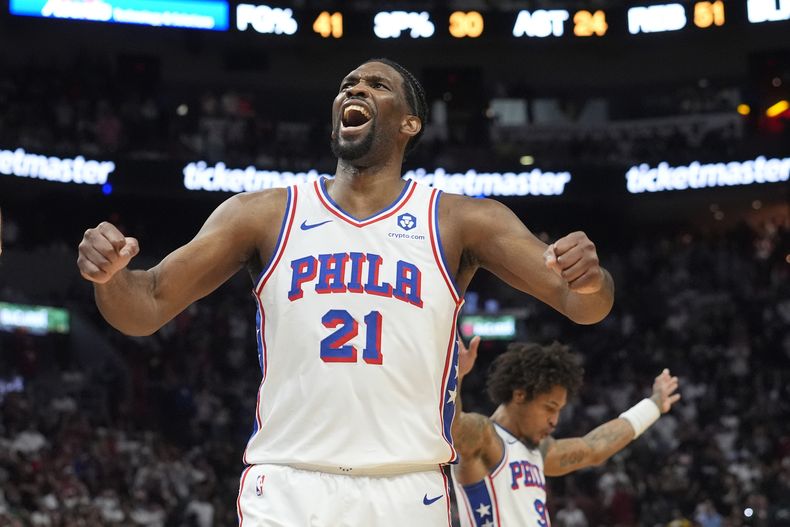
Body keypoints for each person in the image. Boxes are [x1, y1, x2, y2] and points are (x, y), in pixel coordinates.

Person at [76, 58, 615, 526]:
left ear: (410, 122)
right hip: (289, 482)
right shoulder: (261, 214)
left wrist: (590, 278)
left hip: (409, 484)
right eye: (347, 84)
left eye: (376, 85)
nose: (354, 90)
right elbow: (143, 308)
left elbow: (582, 305)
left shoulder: (460, 220)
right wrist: (110, 277)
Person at [451, 337, 680, 527]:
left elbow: (594, 448)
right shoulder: (485, 437)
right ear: (519, 395)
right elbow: (451, 428)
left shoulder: (540, 451)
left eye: (559, 411)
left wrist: (654, 405)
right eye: (549, 408)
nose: (554, 421)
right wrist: (455, 376)